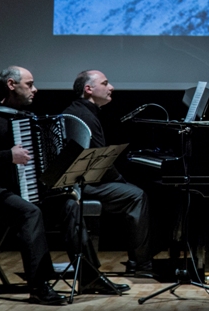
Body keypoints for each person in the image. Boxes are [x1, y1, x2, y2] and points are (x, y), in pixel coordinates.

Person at [0, 66, 65, 305]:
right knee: (30, 212)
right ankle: (39, 286)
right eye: (29, 84)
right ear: (11, 84)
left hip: (12, 191)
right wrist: (7, 156)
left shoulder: (23, 118)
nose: (35, 89)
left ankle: (90, 277)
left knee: (68, 203)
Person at [61, 70, 152, 281]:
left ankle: (136, 261)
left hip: (79, 181)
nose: (111, 88)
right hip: (81, 184)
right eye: (106, 83)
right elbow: (96, 161)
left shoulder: (79, 111)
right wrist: (121, 180)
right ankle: (141, 264)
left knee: (131, 191)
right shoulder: (85, 116)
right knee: (137, 195)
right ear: (89, 89)